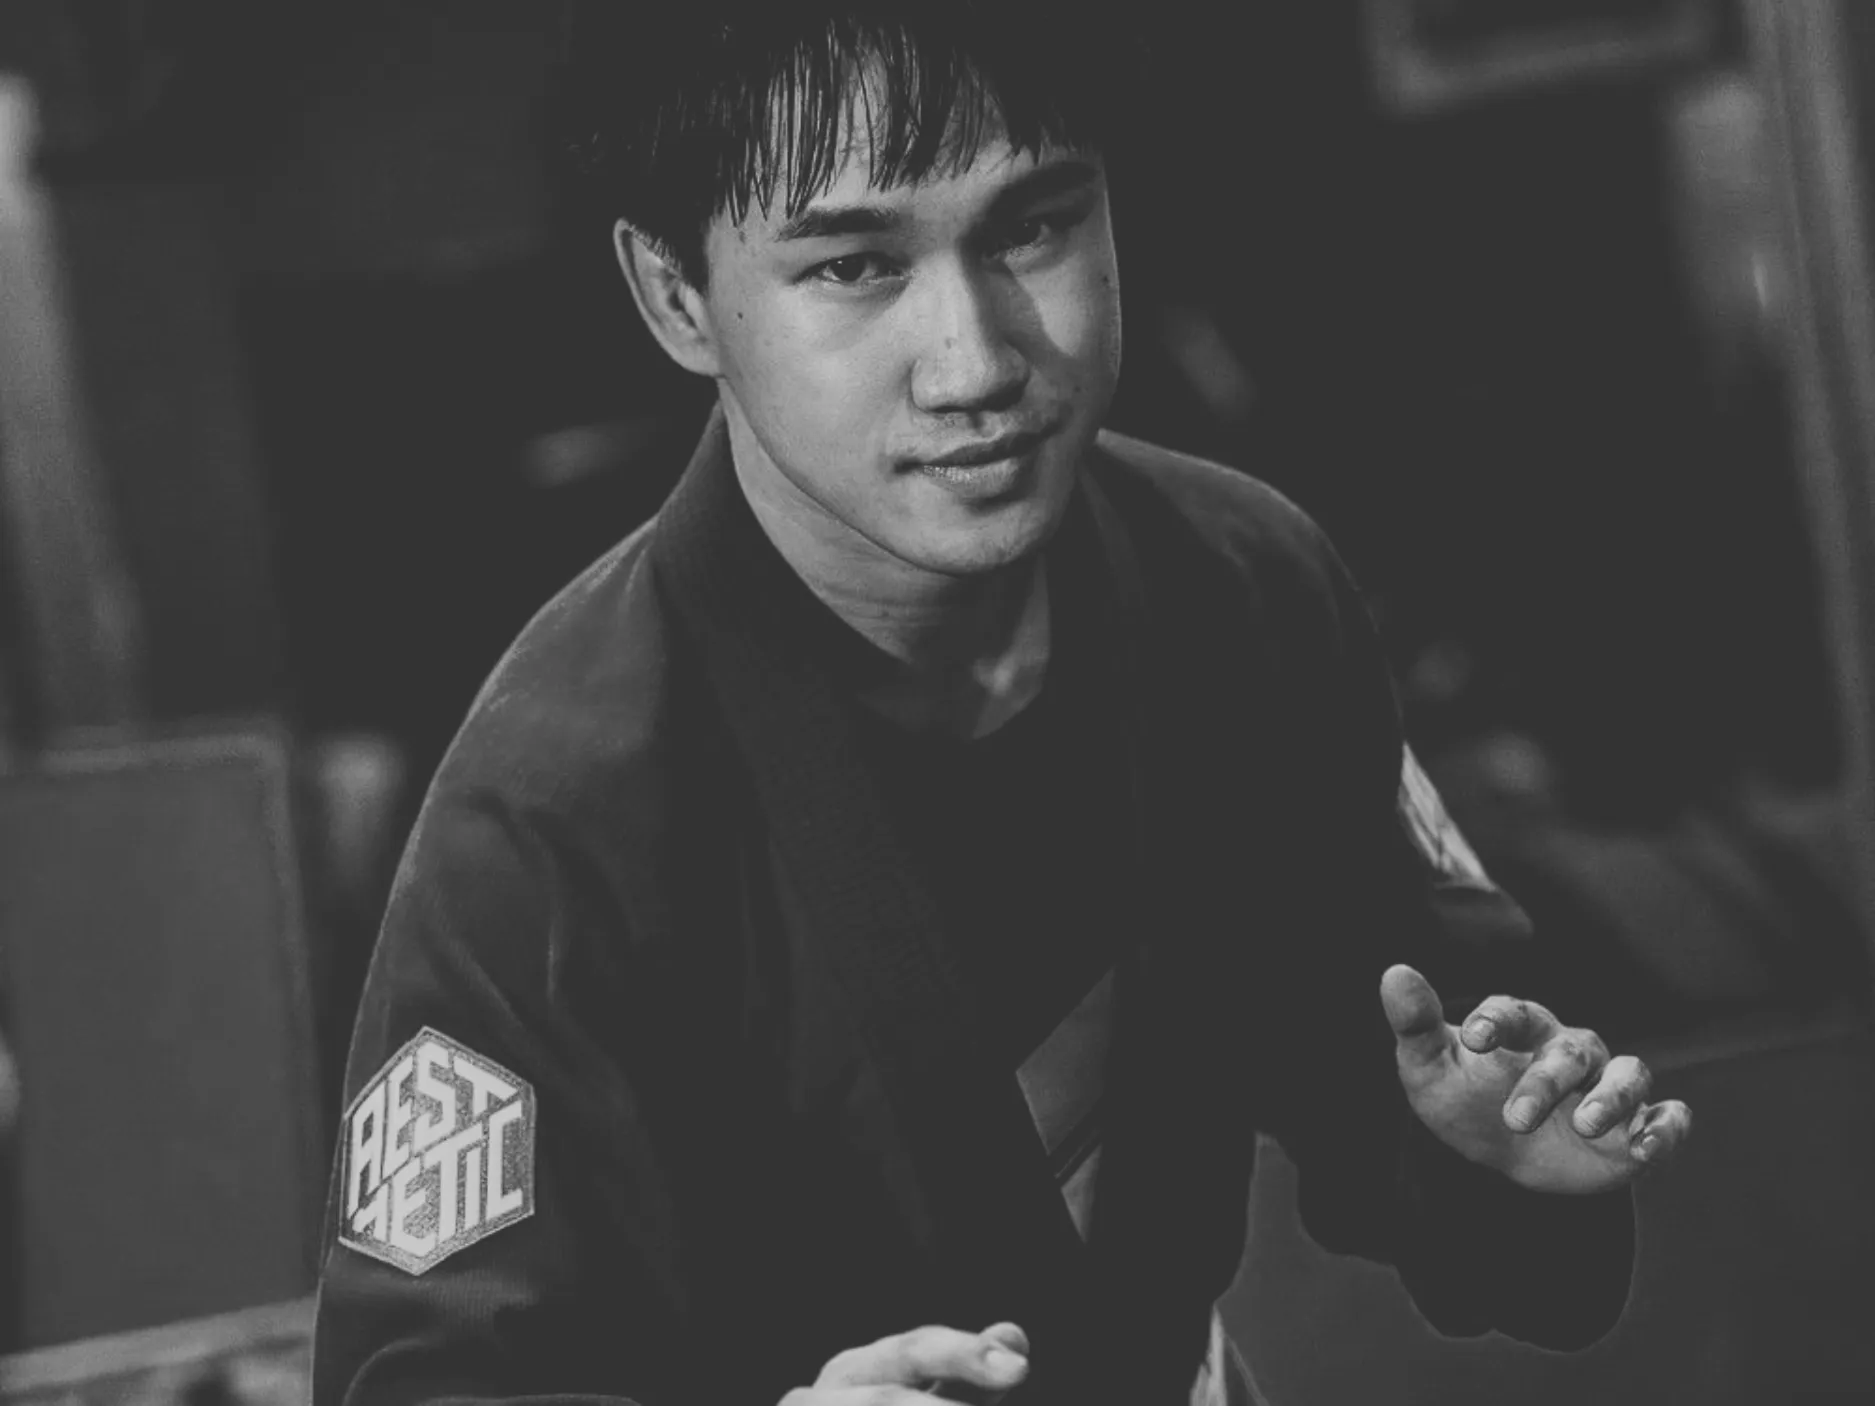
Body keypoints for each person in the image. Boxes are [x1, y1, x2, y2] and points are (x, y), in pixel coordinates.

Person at [312, 5, 1693, 1403]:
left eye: (1033, 226)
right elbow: (419, 1377)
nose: (974, 360)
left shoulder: (1239, 586)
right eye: (853, 265)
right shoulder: (546, 808)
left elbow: (1400, 1067)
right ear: (676, 298)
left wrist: (1496, 1161)